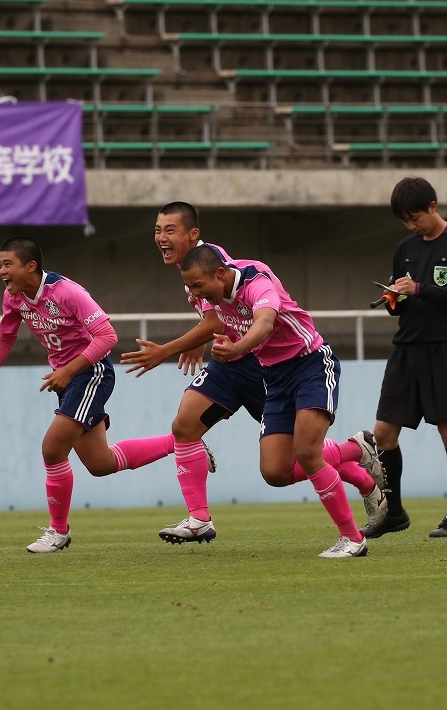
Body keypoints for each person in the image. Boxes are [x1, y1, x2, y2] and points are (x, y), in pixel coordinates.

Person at [121, 202, 386, 544]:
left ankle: (358, 464)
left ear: (192, 234)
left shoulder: (219, 266)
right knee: (185, 425)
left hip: (258, 363)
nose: (161, 238)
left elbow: (228, 318)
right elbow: (213, 318)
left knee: (301, 453)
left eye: (169, 230)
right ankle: (199, 518)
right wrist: (197, 339)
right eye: (157, 231)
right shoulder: (192, 274)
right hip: (231, 365)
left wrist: (168, 349)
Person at [0, 236, 178, 553]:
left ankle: (58, 531)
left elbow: (107, 336)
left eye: (7, 264)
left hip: (91, 374)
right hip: (67, 381)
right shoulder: (14, 298)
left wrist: (68, 370)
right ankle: (183, 443)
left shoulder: (67, 292)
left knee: (52, 449)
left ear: (31, 266)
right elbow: (5, 340)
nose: (1, 272)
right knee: (100, 463)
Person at [178, 244, 368, 557]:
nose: (196, 293)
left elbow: (264, 323)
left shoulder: (256, 281)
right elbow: (217, 324)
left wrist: (237, 349)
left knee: (307, 452)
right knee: (275, 472)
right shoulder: (211, 295)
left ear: (221, 274)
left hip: (311, 365)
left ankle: (353, 538)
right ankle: (355, 449)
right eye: (190, 287)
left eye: (199, 286)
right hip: (274, 377)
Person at [365, 176, 447, 540]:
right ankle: (393, 512)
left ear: (433, 206)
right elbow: (401, 308)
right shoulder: (405, 248)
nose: (412, 226)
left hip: (444, 348)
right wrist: (394, 299)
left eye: (415, 218)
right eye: (405, 221)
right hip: (406, 349)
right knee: (383, 433)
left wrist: (420, 288)